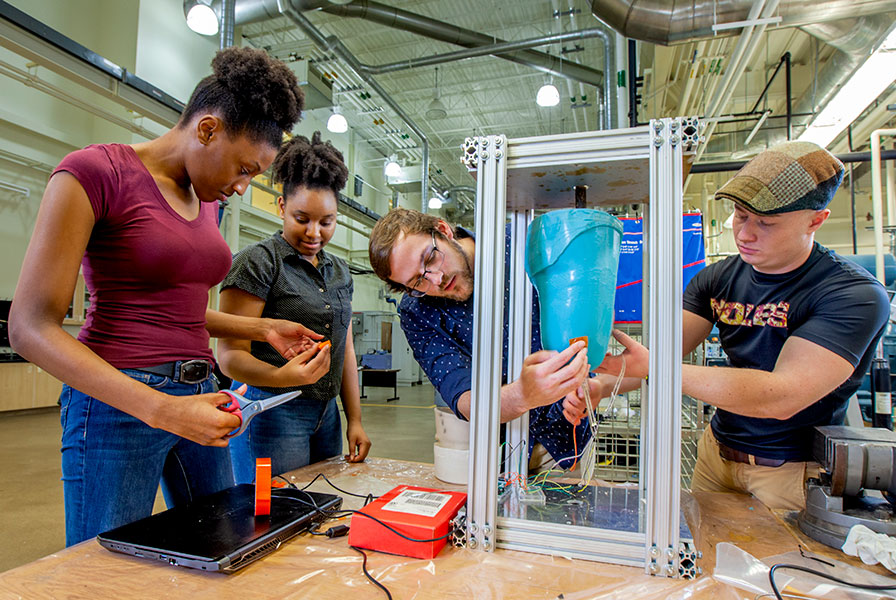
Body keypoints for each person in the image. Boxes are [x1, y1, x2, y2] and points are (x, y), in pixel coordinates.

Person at [8, 47, 316, 546]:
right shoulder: (95, 172)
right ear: (208, 129)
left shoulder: (206, 199)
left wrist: (261, 328)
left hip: (201, 394)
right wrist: (160, 409)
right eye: (243, 169)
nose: (241, 188)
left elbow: (181, 308)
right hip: (118, 403)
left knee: (222, 545)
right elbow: (28, 327)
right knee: (103, 566)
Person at [596, 141, 890, 510]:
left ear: (816, 220)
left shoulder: (852, 294)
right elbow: (654, 358)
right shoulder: (717, 279)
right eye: (740, 214)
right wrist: (599, 388)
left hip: (789, 473)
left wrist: (657, 367)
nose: (745, 234)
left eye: (765, 223)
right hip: (716, 457)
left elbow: (782, 396)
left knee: (781, 565)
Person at [368, 208, 598, 470]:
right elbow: (462, 396)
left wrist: (588, 386)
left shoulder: (525, 242)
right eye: (419, 281)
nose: (437, 279)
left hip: (567, 441)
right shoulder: (417, 312)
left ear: (444, 231)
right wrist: (522, 395)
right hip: (492, 454)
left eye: (431, 258)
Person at [218, 132, 371, 482]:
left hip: (326, 413)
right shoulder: (258, 262)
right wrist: (281, 377)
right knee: (274, 513)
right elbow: (229, 356)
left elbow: (343, 346)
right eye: (302, 218)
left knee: (319, 507)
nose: (314, 232)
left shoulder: (340, 271)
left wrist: (355, 419)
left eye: (326, 222)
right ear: (282, 207)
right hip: (273, 411)